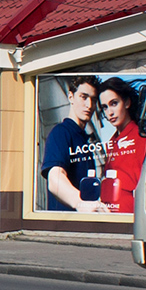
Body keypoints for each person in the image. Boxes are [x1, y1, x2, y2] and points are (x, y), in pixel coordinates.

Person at [41, 76, 107, 213]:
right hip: (64, 226)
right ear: (71, 97)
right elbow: (55, 179)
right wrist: (80, 203)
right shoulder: (61, 133)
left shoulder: (84, 140)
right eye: (83, 97)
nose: (89, 105)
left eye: (93, 100)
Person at [97, 77, 145, 214]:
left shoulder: (140, 137)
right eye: (105, 107)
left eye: (114, 103)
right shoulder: (112, 141)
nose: (109, 113)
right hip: (110, 214)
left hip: (129, 214)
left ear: (127, 103)